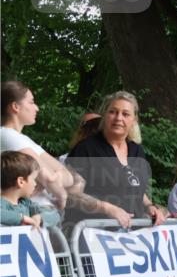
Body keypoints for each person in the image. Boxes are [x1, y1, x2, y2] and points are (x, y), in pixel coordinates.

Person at [64, 91, 167, 229]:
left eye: (125, 114)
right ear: (105, 116)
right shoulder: (86, 148)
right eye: (113, 112)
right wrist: (107, 208)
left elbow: (135, 187)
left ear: (134, 120)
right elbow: (72, 196)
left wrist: (150, 207)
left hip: (132, 234)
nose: (118, 118)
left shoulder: (137, 151)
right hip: (94, 233)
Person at [2, 81, 79, 210]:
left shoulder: (24, 139)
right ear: (15, 106)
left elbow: (67, 176)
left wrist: (45, 181)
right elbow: (49, 178)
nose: (36, 108)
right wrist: (61, 195)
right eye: (31, 102)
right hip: (26, 216)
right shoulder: (7, 135)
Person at [1, 151, 60, 228]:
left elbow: (55, 215)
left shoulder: (26, 203)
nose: (35, 184)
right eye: (34, 179)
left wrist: (39, 218)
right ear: (21, 182)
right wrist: (21, 218)